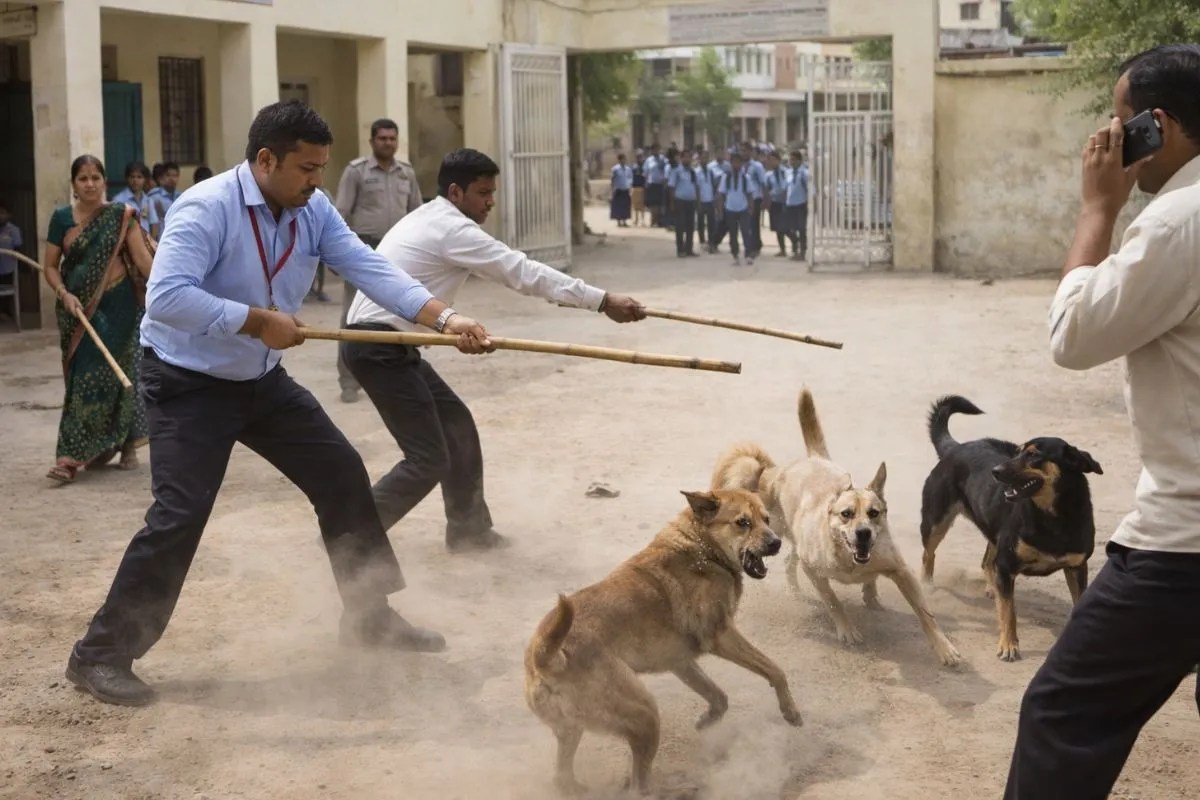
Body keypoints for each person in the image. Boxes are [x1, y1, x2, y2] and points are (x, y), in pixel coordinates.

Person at [64, 101, 494, 708]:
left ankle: (369, 617)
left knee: (341, 474)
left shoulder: (311, 208)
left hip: (261, 380)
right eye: (306, 168)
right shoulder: (205, 208)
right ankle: (99, 655)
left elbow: (369, 266)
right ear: (265, 160)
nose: (317, 180)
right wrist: (254, 320)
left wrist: (444, 316)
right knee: (180, 514)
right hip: (187, 383)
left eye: (321, 168)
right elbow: (165, 298)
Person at [1005, 43, 1200, 799]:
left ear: (1160, 125)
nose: (1109, 140)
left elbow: (1073, 336)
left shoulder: (1178, 223)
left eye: (1121, 124)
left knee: (1062, 713)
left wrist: (1098, 209)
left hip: (1184, 546)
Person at [343, 148, 646, 554]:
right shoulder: (452, 229)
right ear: (456, 191)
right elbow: (522, 272)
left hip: (391, 344)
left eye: (492, 192)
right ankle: (348, 538)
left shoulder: (432, 217)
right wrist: (601, 300)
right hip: (377, 345)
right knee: (428, 457)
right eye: (483, 192)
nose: (491, 201)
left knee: (457, 428)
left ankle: (470, 533)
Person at [41, 155, 154, 485]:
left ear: (104, 181)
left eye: (95, 177)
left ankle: (125, 446)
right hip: (77, 312)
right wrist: (64, 293)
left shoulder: (121, 217)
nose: (89, 184)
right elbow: (49, 266)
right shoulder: (61, 218)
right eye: (82, 178)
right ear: (74, 185)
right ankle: (74, 453)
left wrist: (179, 284)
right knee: (83, 381)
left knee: (124, 374)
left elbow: (145, 263)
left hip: (120, 308)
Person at [333, 118, 422, 404]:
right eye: (382, 138)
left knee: (401, 314)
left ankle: (395, 378)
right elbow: (341, 213)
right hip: (364, 251)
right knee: (353, 317)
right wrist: (339, 256)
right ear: (372, 142)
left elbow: (417, 215)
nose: (388, 143)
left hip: (398, 253)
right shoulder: (356, 171)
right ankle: (348, 381)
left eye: (392, 138)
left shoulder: (406, 173)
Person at [718, 153, 756, 266]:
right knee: (733, 234)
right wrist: (720, 210)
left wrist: (751, 208)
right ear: (731, 163)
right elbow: (721, 194)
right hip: (730, 208)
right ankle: (735, 255)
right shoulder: (726, 177)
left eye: (738, 162)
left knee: (746, 232)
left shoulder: (745, 178)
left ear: (742, 163)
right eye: (734, 162)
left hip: (743, 208)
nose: (736, 165)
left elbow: (750, 194)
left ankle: (748, 254)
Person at [112, 161, 160, 240]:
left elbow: (154, 223)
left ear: (145, 179)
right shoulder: (118, 200)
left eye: (139, 177)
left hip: (146, 244)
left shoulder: (148, 200)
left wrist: (151, 243)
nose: (135, 180)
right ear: (127, 178)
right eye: (132, 177)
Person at [667, 150, 699, 257]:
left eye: (689, 157)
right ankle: (680, 249)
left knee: (691, 226)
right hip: (680, 201)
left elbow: (696, 187)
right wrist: (672, 202)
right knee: (680, 226)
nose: (687, 159)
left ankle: (689, 249)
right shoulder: (676, 171)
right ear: (681, 158)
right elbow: (671, 187)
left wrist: (697, 201)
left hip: (691, 201)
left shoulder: (693, 172)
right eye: (685, 157)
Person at [763, 152, 790, 258]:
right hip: (774, 203)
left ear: (778, 160)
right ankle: (782, 249)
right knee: (777, 228)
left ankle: (796, 241)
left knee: (785, 227)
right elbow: (766, 189)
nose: (771, 162)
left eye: (773, 160)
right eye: (769, 160)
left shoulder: (786, 172)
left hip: (785, 202)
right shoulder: (768, 175)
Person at [785, 149, 811, 262]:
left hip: (801, 204)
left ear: (799, 160)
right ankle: (795, 249)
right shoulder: (788, 172)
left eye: (793, 159)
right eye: (790, 159)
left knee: (801, 228)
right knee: (790, 228)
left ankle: (803, 251)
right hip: (790, 204)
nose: (791, 162)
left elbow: (810, 189)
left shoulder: (804, 173)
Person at [644, 144, 667, 228]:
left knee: (660, 203)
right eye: (654, 150)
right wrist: (645, 183)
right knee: (653, 204)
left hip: (661, 184)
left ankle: (660, 221)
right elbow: (646, 173)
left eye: (657, 149)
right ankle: (653, 220)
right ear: (652, 151)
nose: (656, 151)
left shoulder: (663, 159)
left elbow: (666, 170)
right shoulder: (649, 160)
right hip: (652, 184)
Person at [609, 153, 633, 227]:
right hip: (618, 189)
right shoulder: (615, 169)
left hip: (625, 189)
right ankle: (619, 222)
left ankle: (624, 221)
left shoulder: (628, 169)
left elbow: (630, 179)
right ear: (619, 160)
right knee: (618, 206)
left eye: (624, 159)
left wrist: (630, 188)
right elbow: (612, 179)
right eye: (621, 159)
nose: (623, 160)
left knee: (625, 206)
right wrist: (612, 190)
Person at [631, 150, 647, 227]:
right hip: (635, 187)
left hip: (642, 187)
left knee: (642, 205)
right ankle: (636, 219)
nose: (639, 158)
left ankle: (642, 220)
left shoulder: (645, 166)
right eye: (638, 157)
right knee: (635, 205)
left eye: (640, 157)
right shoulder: (633, 167)